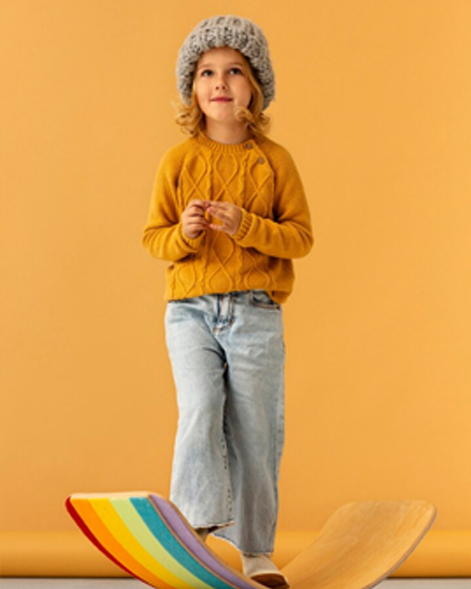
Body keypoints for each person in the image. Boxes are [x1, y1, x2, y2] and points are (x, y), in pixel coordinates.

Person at [142, 15, 313, 589]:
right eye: (207, 72)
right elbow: (153, 239)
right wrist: (185, 235)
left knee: (255, 430)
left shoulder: (275, 160)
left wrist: (248, 227)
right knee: (199, 410)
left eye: (235, 71)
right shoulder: (178, 161)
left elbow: (301, 238)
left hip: (256, 312)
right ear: (192, 87)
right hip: (190, 311)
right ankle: (193, 531)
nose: (220, 82)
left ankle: (257, 551)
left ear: (255, 85)